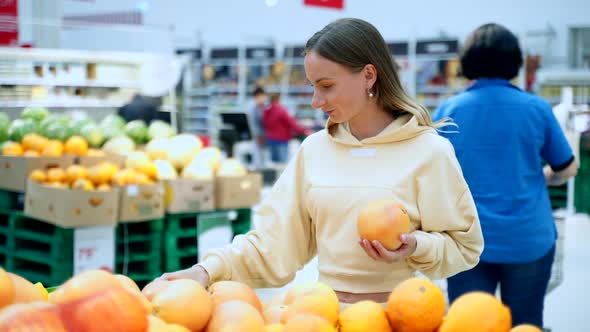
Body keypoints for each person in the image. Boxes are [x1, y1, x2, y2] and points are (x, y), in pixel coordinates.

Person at [149, 18, 483, 306]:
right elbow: (272, 245)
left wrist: (415, 245)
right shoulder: (314, 151)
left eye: (326, 86)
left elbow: (465, 246)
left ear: (369, 75)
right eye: (312, 86)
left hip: (403, 315)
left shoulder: (429, 152)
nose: (315, 101)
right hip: (322, 315)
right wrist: (204, 271)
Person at [432, 23, 578, 328]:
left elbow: (432, 174)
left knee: (467, 323)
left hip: (467, 242)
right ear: (515, 61)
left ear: (469, 61)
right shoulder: (536, 108)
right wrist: (543, 177)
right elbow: (567, 167)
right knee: (524, 323)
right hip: (529, 239)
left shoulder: (449, 110)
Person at [262, 93, 310, 163]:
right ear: (278, 100)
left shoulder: (266, 111)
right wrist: (304, 130)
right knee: (282, 165)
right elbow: (292, 124)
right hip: (281, 140)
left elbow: (264, 124)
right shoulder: (281, 110)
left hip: (270, 140)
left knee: (273, 164)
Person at [248, 86, 268, 166]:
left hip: (262, 135)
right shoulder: (252, 107)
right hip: (255, 136)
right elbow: (251, 123)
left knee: (262, 157)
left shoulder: (262, 106)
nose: (264, 98)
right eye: (263, 96)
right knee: (257, 159)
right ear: (258, 96)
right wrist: (258, 135)